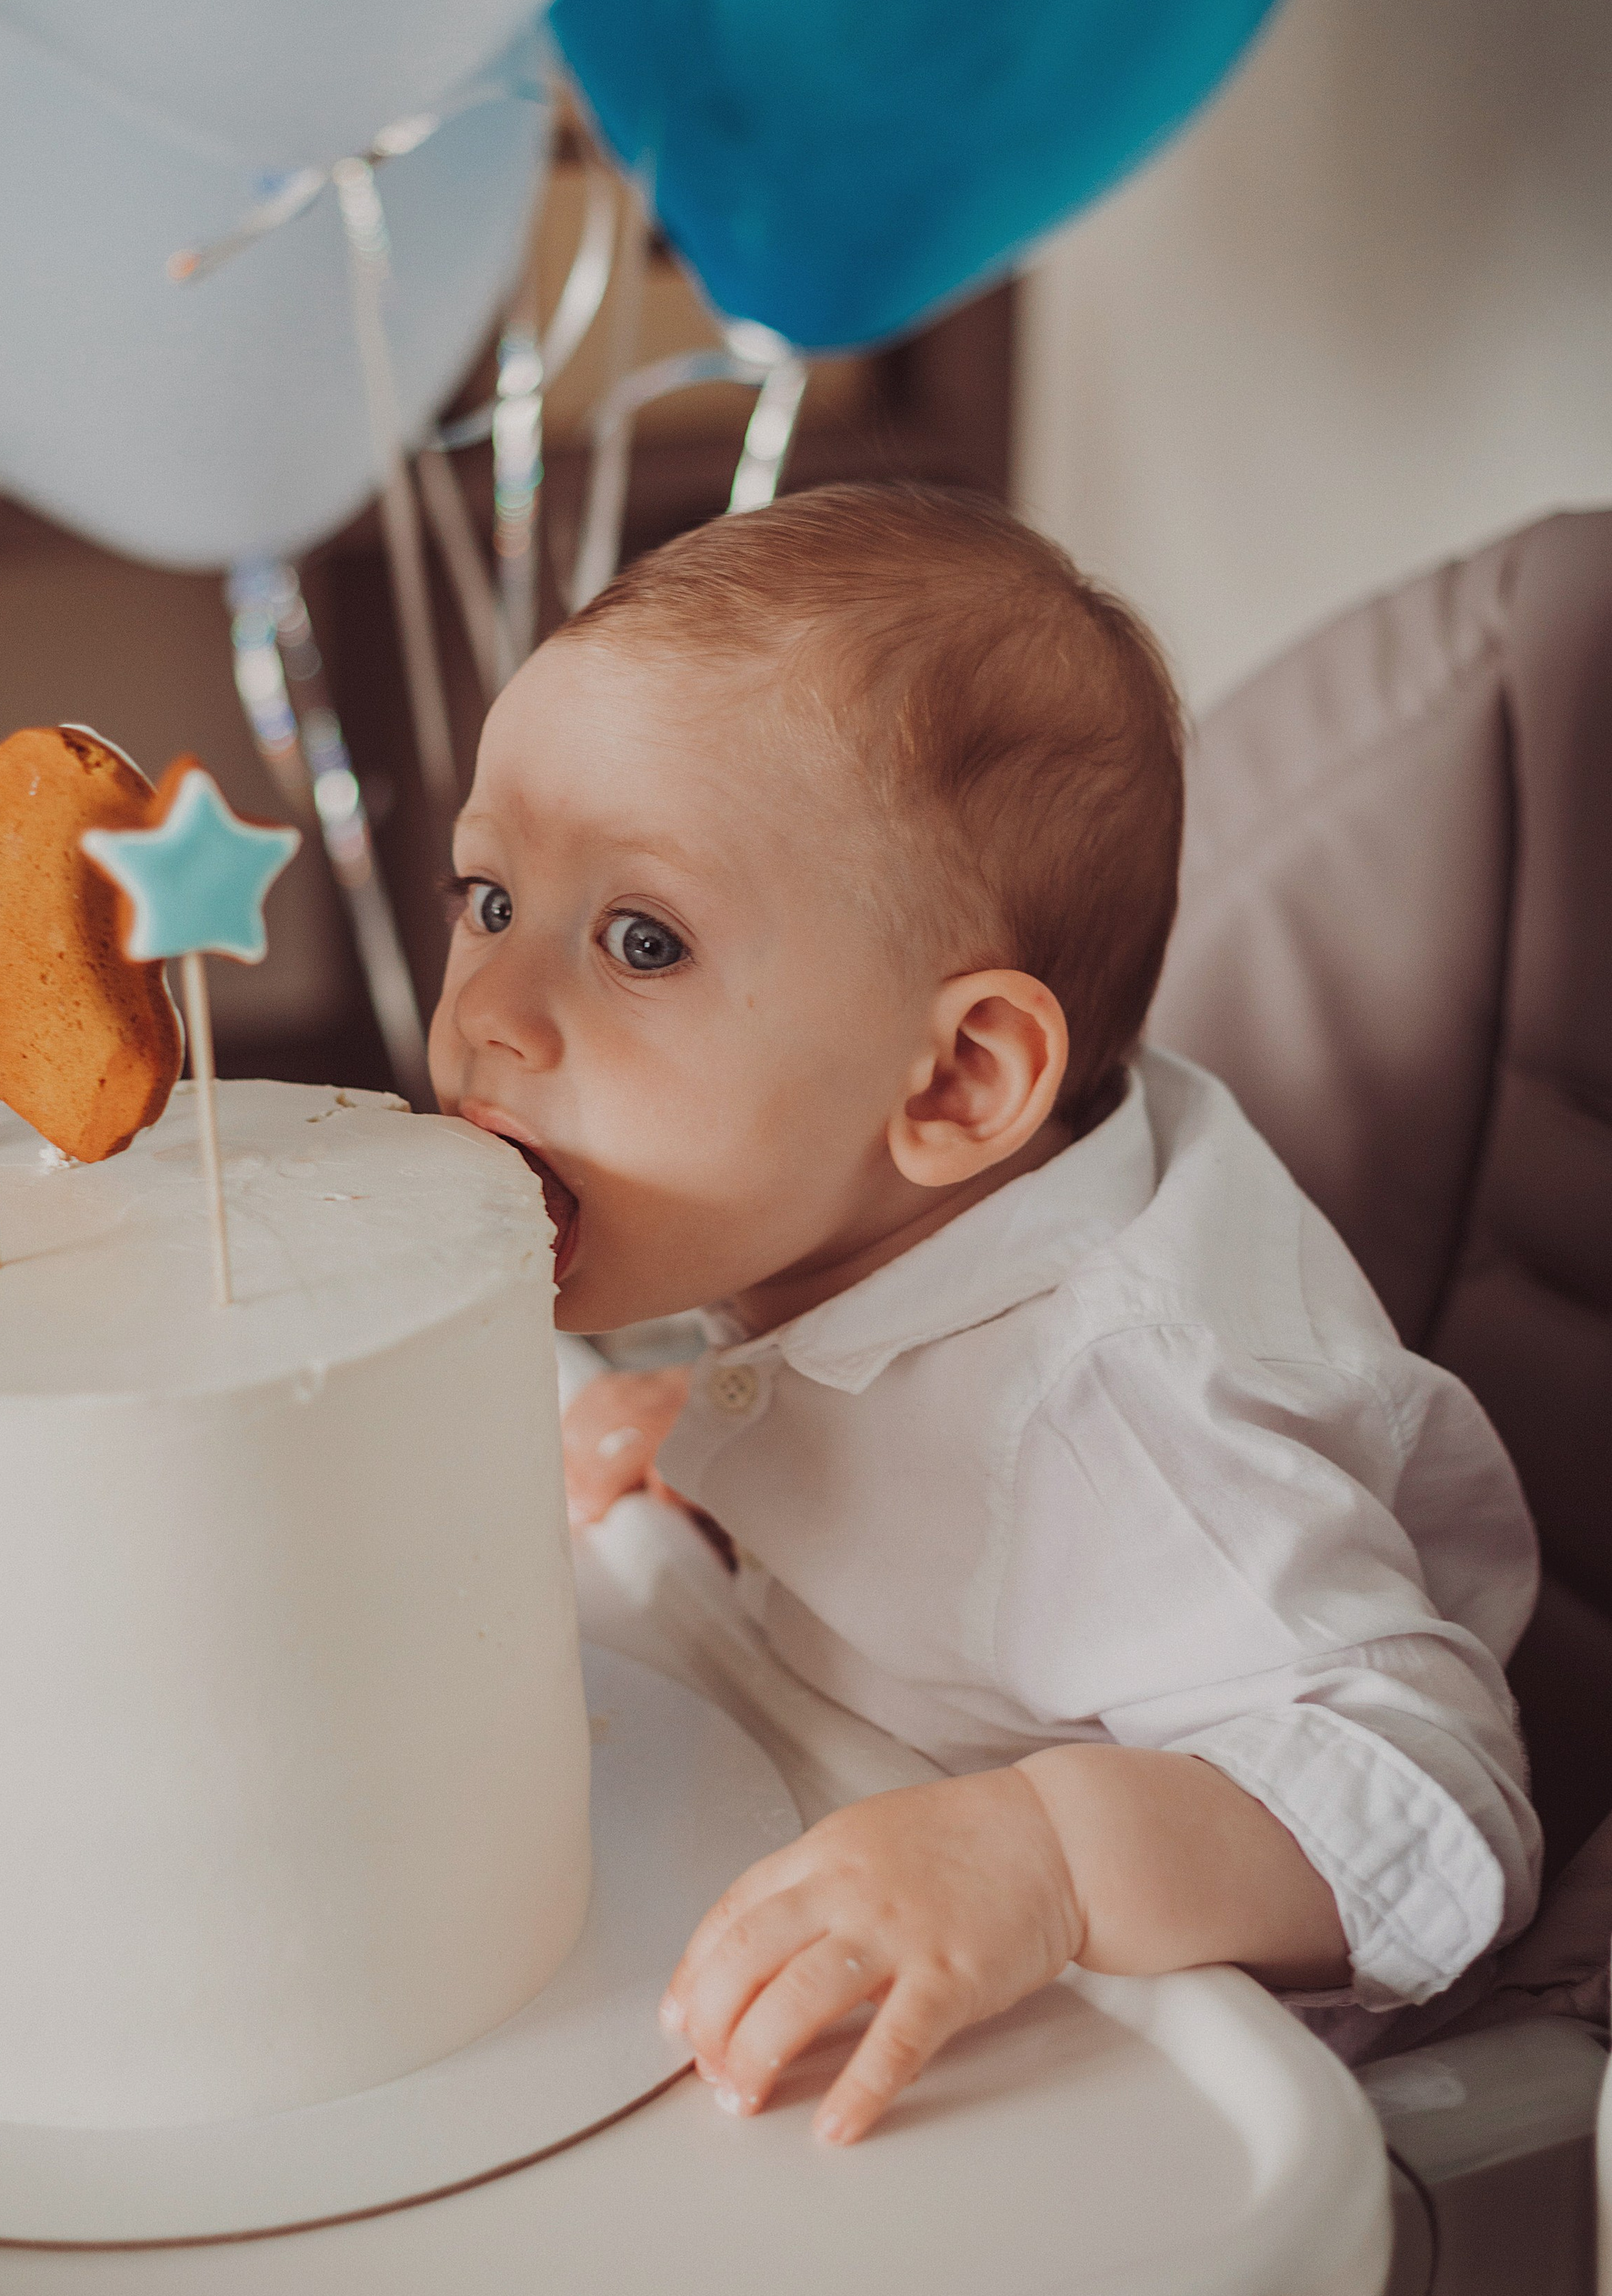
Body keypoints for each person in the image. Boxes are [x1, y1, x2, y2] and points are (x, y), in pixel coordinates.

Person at [428, 482, 1540, 2148]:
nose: (492, 1014)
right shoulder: (868, 1226)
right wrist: (741, 1436)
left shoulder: (1130, 1425)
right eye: (488, 898)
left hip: (1127, 2113)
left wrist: (1046, 1858)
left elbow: (1439, 1802)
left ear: (956, 1077)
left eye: (639, 939)